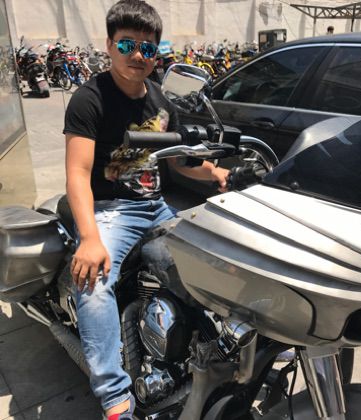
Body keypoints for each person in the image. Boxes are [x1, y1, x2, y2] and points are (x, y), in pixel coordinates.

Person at [63, 1, 229, 418]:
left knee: (214, 258)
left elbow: (178, 159)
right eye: (127, 45)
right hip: (109, 209)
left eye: (148, 48)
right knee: (93, 280)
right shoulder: (89, 99)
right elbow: (77, 173)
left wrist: (217, 172)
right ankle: (114, 396)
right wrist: (89, 238)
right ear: (109, 45)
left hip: (155, 206)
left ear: (157, 52)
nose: (138, 55)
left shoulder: (159, 98)